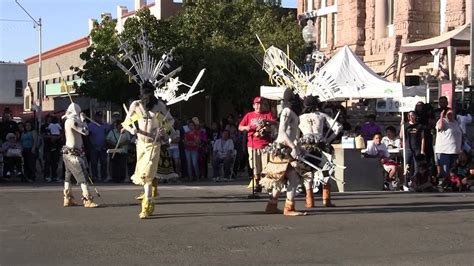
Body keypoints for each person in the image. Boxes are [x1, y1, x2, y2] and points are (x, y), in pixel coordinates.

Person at [122, 81, 173, 219]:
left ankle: (147, 205)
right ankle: (148, 200)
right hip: (140, 144)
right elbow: (126, 122)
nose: (147, 97)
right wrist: (131, 128)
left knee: (148, 174)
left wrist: (164, 128)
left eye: (149, 93)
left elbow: (170, 120)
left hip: (153, 144)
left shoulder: (159, 105)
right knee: (143, 176)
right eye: (145, 93)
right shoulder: (136, 105)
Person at [260, 89, 306, 216]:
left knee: (280, 178)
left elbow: (293, 135)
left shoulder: (292, 114)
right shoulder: (287, 111)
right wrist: (293, 147)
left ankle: (272, 205)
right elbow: (282, 133)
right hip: (283, 149)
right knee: (294, 178)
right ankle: (288, 207)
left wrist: (298, 146)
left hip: (286, 148)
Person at [298, 95, 341, 208]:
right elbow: (338, 127)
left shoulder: (300, 118)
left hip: (305, 145)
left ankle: (309, 200)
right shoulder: (322, 115)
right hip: (321, 144)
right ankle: (326, 199)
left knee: (307, 171)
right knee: (325, 169)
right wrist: (328, 140)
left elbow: (294, 133)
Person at [61, 103, 98, 208]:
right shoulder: (71, 121)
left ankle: (67, 198)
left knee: (68, 177)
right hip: (72, 154)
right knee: (83, 177)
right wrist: (83, 119)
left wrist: (81, 119)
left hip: (70, 153)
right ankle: (87, 200)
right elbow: (85, 131)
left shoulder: (71, 120)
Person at [238, 96, 276, 192]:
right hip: (253, 144)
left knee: (266, 165)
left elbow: (275, 122)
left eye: (261, 104)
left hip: (265, 144)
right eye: (257, 104)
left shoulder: (267, 114)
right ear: (254, 105)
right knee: (254, 165)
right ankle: (257, 183)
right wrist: (247, 127)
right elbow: (240, 127)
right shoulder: (249, 115)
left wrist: (266, 121)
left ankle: (267, 184)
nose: (259, 106)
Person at [435, 109, 462, 181]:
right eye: (449, 114)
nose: (451, 115)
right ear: (445, 115)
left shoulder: (455, 122)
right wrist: (441, 116)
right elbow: (440, 127)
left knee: (453, 171)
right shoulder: (442, 121)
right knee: (445, 171)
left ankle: (451, 185)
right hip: (444, 151)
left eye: (452, 114)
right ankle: (444, 185)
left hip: (455, 151)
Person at [400, 111, 425, 184]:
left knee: (417, 166)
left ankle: (415, 181)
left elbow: (423, 138)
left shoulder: (419, 126)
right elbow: (401, 136)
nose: (411, 117)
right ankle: (406, 181)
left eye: (413, 115)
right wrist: (401, 126)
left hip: (417, 148)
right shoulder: (406, 125)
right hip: (408, 148)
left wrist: (422, 150)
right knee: (407, 165)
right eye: (410, 115)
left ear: (415, 116)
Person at [88, 111, 109, 182]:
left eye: (100, 117)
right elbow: (87, 135)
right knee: (94, 163)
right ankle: (95, 176)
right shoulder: (90, 125)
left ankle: (104, 177)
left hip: (103, 147)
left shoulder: (105, 125)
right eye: (98, 116)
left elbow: (108, 135)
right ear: (95, 117)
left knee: (104, 163)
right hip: (94, 147)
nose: (99, 118)